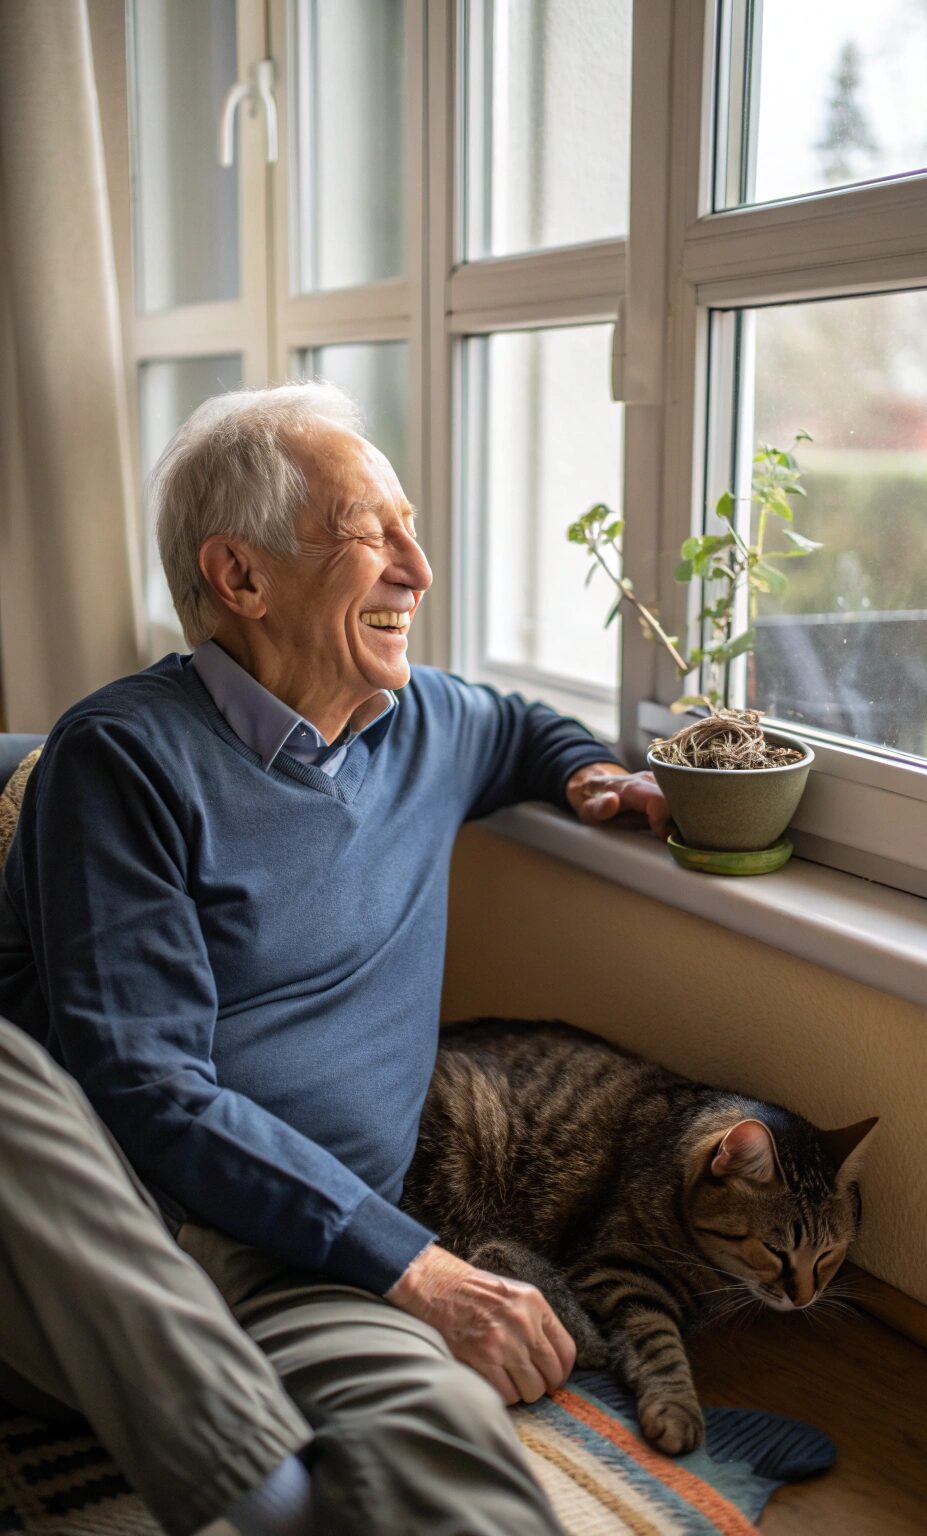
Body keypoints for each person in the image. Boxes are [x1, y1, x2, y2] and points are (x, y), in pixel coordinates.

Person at [0, 382, 672, 1534]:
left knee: (451, 1462)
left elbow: (518, 725)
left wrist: (586, 774)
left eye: (410, 528)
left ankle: (258, 1471)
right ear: (241, 576)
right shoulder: (122, 757)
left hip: (314, 1262)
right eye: (371, 533)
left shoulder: (427, 724)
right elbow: (148, 1087)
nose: (417, 567)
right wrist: (418, 1267)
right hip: (108, 1250)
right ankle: (251, 1483)